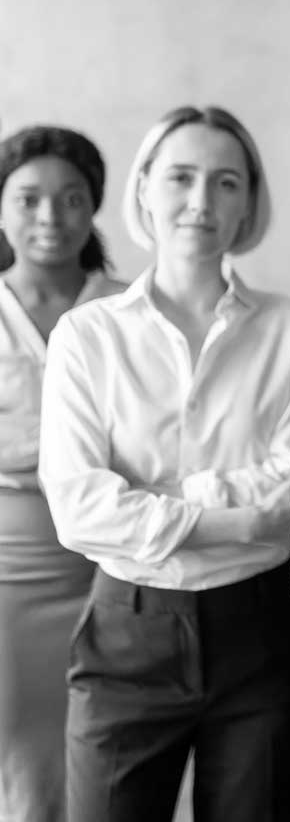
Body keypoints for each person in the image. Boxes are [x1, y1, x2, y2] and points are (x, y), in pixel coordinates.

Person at [38, 106, 290, 822]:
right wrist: (241, 516)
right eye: (181, 178)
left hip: (263, 632)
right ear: (143, 192)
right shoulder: (87, 335)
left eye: (226, 182)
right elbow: (78, 505)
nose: (201, 202)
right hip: (127, 633)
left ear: (249, 202)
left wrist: (164, 501)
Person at [0, 126, 124, 822]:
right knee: (21, 760)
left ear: (94, 207)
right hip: (8, 575)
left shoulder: (129, 307)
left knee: (109, 756)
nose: (51, 218)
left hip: (114, 566)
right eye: (29, 199)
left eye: (71, 199)